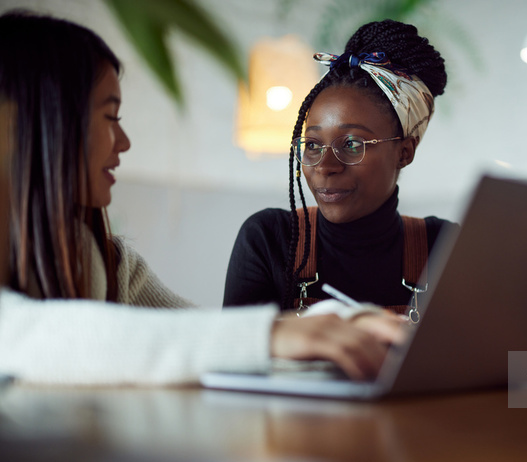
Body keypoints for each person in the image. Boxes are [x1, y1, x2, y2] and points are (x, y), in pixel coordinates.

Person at [0, 10, 405, 385]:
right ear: (29, 123)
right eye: (110, 117)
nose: (124, 142)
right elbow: (27, 336)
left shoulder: (106, 264)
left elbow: (200, 338)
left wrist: (341, 329)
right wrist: (271, 334)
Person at [223, 20, 456, 316]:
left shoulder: (444, 249)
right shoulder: (270, 240)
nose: (325, 166)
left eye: (352, 144)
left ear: (404, 151)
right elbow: (238, 356)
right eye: (312, 145)